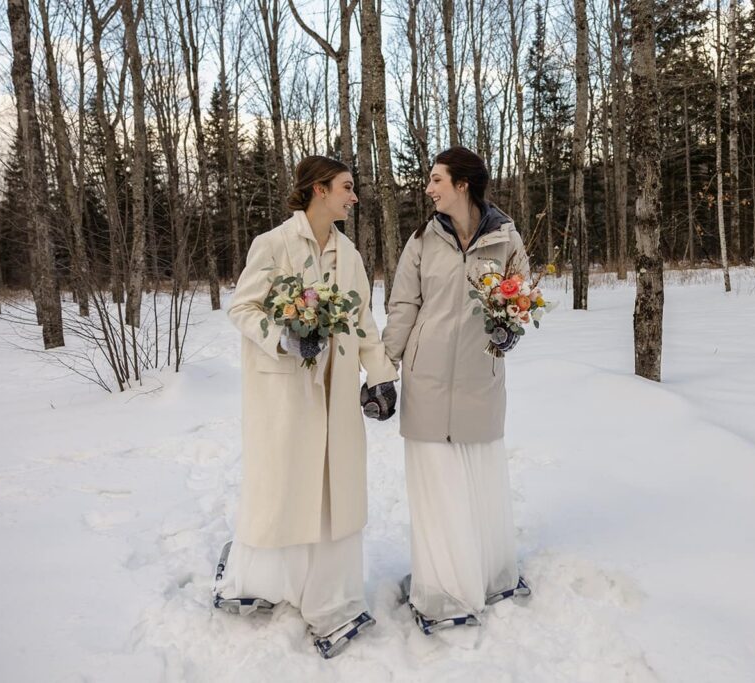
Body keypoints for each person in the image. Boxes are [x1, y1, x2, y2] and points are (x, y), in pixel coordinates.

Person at [216, 156, 398, 658]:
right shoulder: (273, 245)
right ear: (318, 190)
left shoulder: (351, 256)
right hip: (286, 392)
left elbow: (362, 323)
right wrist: (284, 339)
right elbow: (242, 308)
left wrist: (382, 378)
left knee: (334, 487)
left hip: (336, 392)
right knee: (285, 486)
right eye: (346, 187)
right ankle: (264, 580)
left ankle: (331, 593)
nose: (353, 197)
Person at [382, 146, 531, 635]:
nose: (429, 188)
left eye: (437, 179)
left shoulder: (506, 240)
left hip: (478, 381)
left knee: (476, 482)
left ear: (463, 184)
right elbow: (403, 305)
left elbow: (521, 299)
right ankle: (442, 587)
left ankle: (485, 575)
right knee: (437, 488)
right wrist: (383, 371)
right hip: (426, 381)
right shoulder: (422, 240)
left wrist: (512, 327)